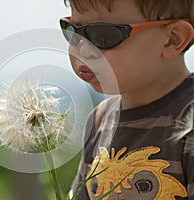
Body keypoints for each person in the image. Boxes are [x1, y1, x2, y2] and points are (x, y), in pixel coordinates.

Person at [59, 0, 194, 199]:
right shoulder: (99, 121)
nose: (84, 50)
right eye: (73, 31)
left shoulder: (189, 120)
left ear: (172, 39)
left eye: (103, 35)